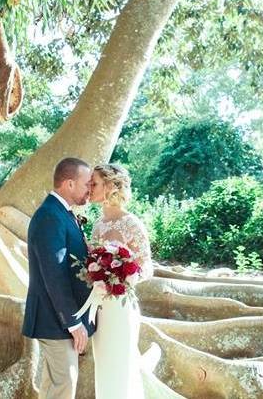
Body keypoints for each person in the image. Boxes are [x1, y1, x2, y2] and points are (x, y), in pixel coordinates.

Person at [22, 157, 95, 399]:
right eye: (87, 184)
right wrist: (73, 322)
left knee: (54, 384)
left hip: (58, 318)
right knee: (64, 384)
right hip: (53, 318)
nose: (90, 190)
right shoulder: (49, 216)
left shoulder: (63, 214)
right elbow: (53, 274)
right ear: (70, 184)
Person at [88, 163, 154, 399]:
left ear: (110, 186)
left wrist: (125, 278)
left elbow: (147, 266)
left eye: (94, 183)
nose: (89, 187)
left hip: (122, 305)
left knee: (121, 365)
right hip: (101, 308)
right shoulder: (98, 225)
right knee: (104, 364)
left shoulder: (131, 223)